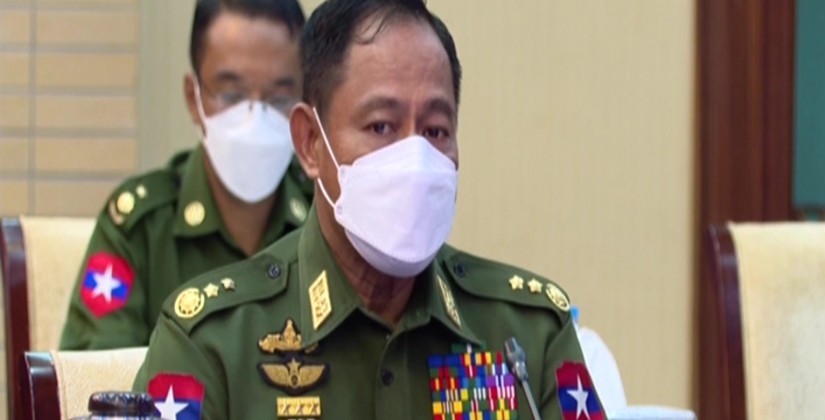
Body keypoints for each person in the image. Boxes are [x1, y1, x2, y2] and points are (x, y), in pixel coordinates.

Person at [133, 0, 604, 418]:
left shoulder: (527, 335)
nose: (414, 157)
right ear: (310, 142)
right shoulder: (213, 343)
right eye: (381, 126)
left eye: (436, 130)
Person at [60, 0, 312, 350]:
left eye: (280, 99)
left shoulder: (325, 219)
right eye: (232, 95)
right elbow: (101, 371)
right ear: (194, 99)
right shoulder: (140, 229)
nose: (255, 118)